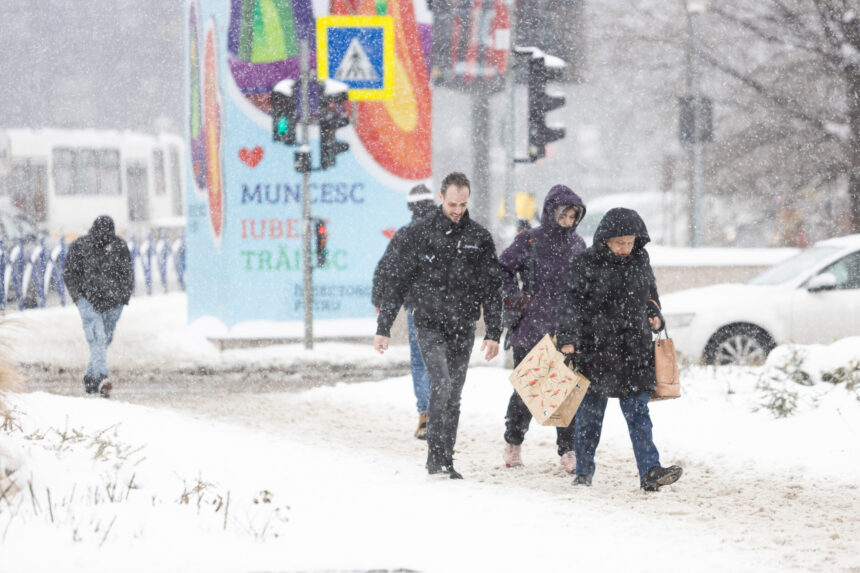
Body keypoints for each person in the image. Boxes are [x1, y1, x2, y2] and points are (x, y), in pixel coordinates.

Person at [374, 172, 503, 479]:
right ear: (442, 197)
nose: (457, 210)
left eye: (463, 204)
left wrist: (494, 332)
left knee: (454, 393)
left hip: (463, 325)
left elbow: (492, 288)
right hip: (428, 323)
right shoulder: (418, 234)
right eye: (452, 204)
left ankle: (447, 460)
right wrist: (383, 327)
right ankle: (434, 458)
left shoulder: (479, 237)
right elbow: (397, 282)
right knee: (441, 384)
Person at [556, 207, 682, 491]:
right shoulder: (585, 262)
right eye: (620, 243)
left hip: (634, 349)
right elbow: (570, 303)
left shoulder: (640, 258)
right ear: (605, 240)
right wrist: (568, 338)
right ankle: (584, 472)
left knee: (639, 414)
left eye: (630, 242)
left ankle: (650, 472)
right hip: (596, 351)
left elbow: (650, 294)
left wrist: (655, 314)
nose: (626, 248)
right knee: (590, 416)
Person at [498, 185, 586, 473]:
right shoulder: (529, 240)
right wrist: (515, 297)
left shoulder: (578, 244)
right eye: (563, 216)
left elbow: (585, 283)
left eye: (573, 217)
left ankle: (568, 450)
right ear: (551, 213)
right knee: (528, 390)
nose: (568, 222)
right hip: (531, 327)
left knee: (566, 390)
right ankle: (513, 441)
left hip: (566, 328)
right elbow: (501, 269)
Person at [372, 184, 436, 439]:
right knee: (443, 360)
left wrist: (379, 297)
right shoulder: (447, 232)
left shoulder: (405, 235)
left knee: (420, 361)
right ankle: (443, 412)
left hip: (417, 308)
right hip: (446, 308)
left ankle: (426, 415)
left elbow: (386, 267)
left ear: (410, 207)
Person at [63, 215, 134, 398]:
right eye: (102, 233)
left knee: (104, 340)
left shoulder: (119, 246)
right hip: (88, 301)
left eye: (108, 233)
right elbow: (69, 273)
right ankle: (102, 377)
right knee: (97, 337)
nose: (105, 237)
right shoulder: (80, 246)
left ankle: (90, 378)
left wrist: (123, 297)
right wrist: (79, 298)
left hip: (114, 303)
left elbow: (127, 273)